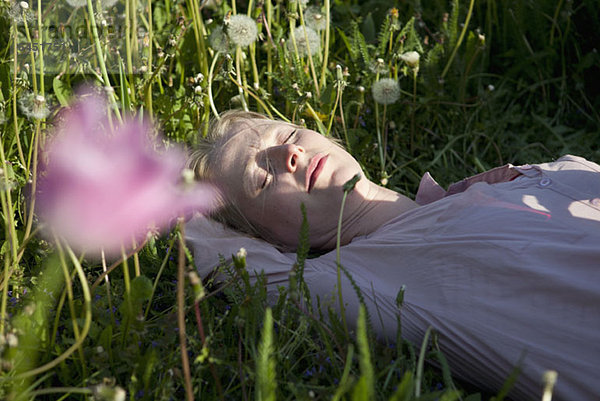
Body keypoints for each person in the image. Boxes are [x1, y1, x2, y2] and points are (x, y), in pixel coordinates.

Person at [186, 110, 600, 400]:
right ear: (276, 242)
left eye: (289, 136)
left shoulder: (543, 174)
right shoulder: (359, 282)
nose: (288, 155)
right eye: (262, 178)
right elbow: (227, 258)